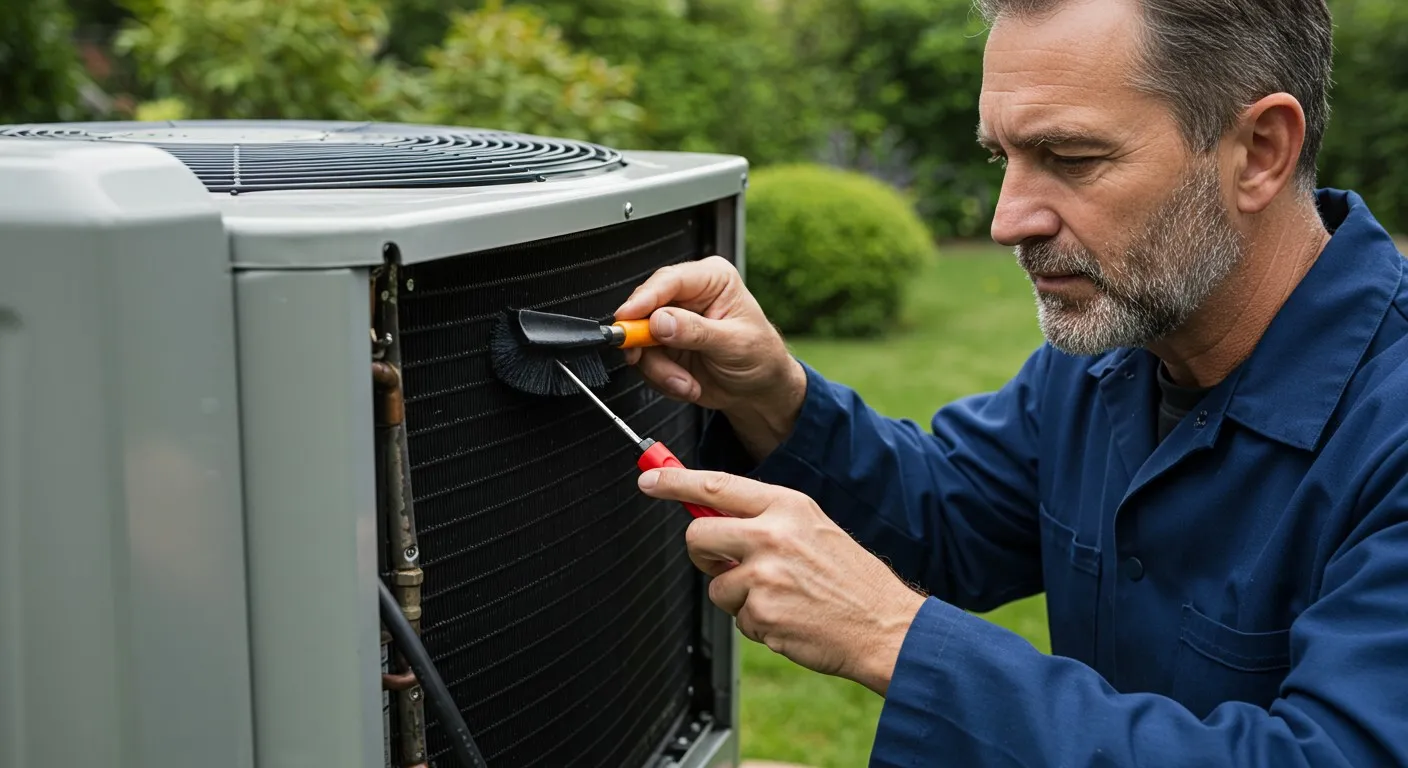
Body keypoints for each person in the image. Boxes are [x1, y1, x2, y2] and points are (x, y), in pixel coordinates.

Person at [612, 0, 1408, 765]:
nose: (1007, 220)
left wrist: (896, 637)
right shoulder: (1113, 357)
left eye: (1071, 158)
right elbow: (951, 515)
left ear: (1260, 151)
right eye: (1004, 157)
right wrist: (772, 397)